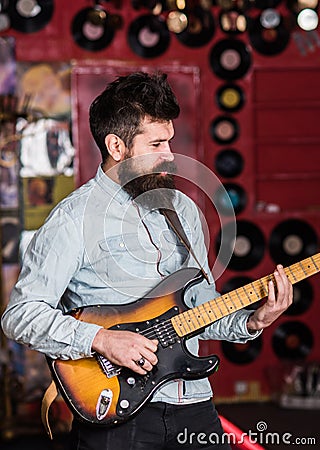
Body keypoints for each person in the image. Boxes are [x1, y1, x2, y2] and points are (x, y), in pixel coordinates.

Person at [1, 72, 293, 450]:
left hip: (194, 405)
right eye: (157, 143)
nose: (170, 154)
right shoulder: (73, 219)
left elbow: (199, 307)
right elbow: (20, 315)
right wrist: (101, 339)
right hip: (118, 415)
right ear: (117, 147)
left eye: (169, 140)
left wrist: (252, 320)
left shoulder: (184, 210)